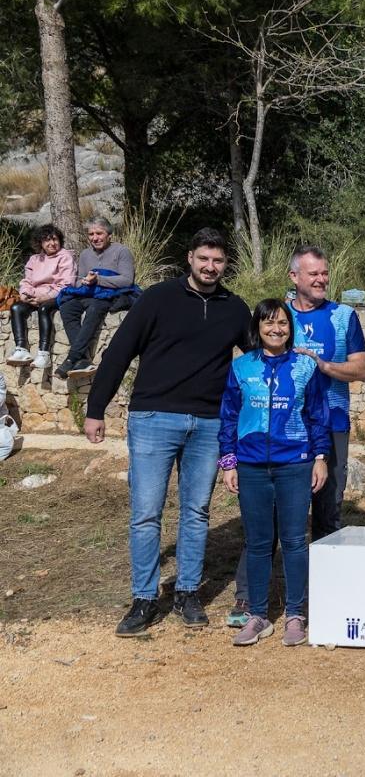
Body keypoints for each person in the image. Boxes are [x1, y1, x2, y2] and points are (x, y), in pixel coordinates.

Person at [84, 228, 251, 637]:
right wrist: (95, 408)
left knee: (196, 513)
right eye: (203, 259)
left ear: (225, 264)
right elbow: (119, 352)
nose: (210, 267)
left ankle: (188, 593)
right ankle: (144, 598)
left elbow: (259, 361)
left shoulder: (234, 308)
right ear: (189, 258)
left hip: (209, 424)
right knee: (145, 515)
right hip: (154, 418)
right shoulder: (158, 298)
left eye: (218, 261)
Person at [226, 245, 365, 628]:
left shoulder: (342, 316)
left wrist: (322, 365)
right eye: (313, 274)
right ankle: (248, 596)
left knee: (326, 509)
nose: (321, 279)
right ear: (294, 277)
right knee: (263, 518)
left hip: (329, 426)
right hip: (271, 437)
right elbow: (249, 366)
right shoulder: (277, 314)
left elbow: (362, 370)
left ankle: (317, 597)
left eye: (324, 273)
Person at [219, 299, 330, 646]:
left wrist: (320, 457)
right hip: (251, 465)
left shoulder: (304, 367)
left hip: (294, 464)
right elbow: (229, 416)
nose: (276, 329)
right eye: (268, 323)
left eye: (282, 323)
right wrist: (228, 461)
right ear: (257, 328)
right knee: (258, 543)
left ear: (289, 327)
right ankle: (258, 615)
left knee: (295, 541)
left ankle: (296, 614)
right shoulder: (241, 368)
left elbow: (317, 414)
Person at [56, 217, 137, 378]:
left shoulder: (122, 251)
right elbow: (79, 279)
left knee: (96, 307)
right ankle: (84, 359)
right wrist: (84, 281)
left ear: (109, 235)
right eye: (91, 234)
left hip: (111, 295)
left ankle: (73, 357)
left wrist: (99, 279)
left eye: (99, 233)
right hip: (90, 292)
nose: (95, 238)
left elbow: (127, 280)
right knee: (67, 306)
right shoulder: (86, 254)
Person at [6, 225, 74, 370]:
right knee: (16, 307)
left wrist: (44, 297)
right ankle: (21, 348)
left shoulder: (65, 256)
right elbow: (27, 281)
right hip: (35, 295)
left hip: (56, 295)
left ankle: (44, 354)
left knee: (44, 308)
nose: (51, 243)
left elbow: (66, 284)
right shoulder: (35, 259)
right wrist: (25, 295)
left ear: (60, 240)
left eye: (54, 239)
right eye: (46, 240)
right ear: (40, 243)